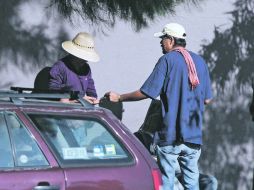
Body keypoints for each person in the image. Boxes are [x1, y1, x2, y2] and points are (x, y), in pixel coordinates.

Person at [105, 23, 213, 190]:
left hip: (170, 137)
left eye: (162, 39)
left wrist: (119, 97)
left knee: (166, 183)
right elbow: (207, 100)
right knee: (192, 185)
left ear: (170, 40)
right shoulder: (200, 62)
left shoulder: (167, 60)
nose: (160, 43)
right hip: (193, 138)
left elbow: (147, 92)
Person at [49, 32, 100, 104]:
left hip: (80, 109)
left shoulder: (86, 68)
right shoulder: (60, 66)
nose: (85, 60)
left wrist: (93, 99)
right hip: (63, 110)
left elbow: (91, 90)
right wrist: (77, 98)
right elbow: (53, 91)